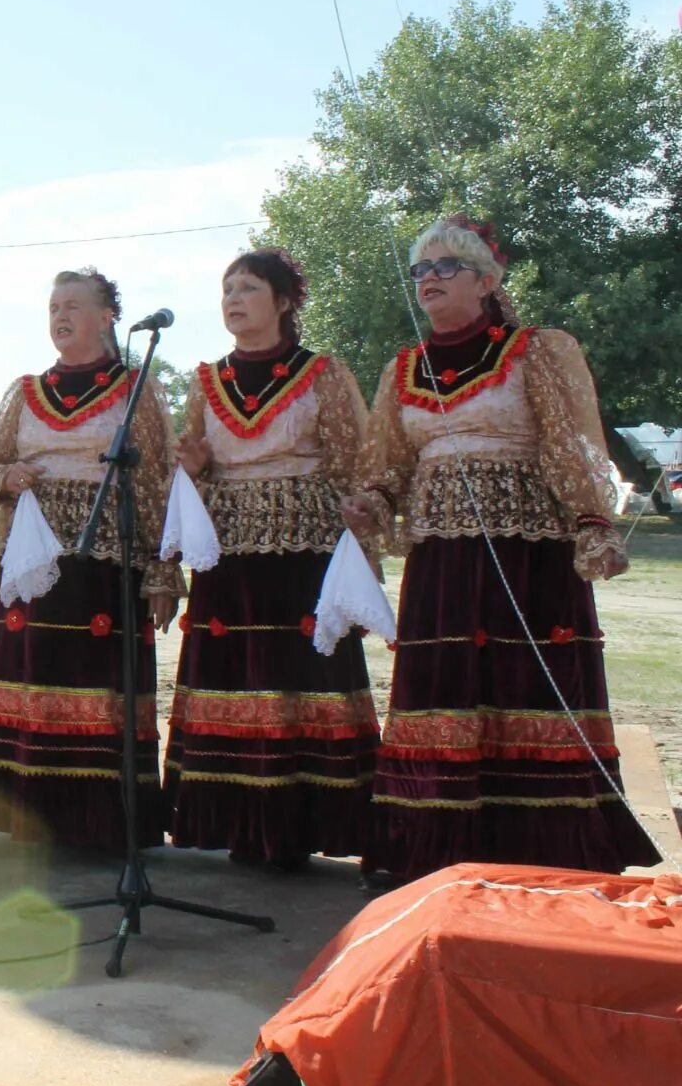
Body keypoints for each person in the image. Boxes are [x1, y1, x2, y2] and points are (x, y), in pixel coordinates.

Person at [342, 215, 658, 880]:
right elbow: (386, 463)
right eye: (420, 270)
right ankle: (426, 849)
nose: (428, 280)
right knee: (441, 689)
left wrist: (591, 519)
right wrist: (368, 501)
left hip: (527, 552)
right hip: (441, 559)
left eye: (445, 267)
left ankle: (547, 851)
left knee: (526, 688)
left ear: (488, 279)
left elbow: (572, 442)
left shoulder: (538, 350)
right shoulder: (403, 368)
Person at [0, 269, 184, 852]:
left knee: (95, 686)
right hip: (33, 564)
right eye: (53, 305)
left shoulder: (135, 389)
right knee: (33, 676)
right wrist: (8, 475)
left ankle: (97, 823)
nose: (60, 315)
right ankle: (30, 815)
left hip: (105, 565)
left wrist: (162, 571)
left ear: (107, 317)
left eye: (73, 304)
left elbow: (157, 483)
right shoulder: (26, 391)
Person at [162, 250, 379, 869]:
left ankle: (300, 824)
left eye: (249, 288)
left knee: (300, 676)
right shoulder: (207, 382)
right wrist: (197, 473)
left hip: (303, 549)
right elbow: (192, 472)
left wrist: (361, 554)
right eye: (227, 288)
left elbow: (353, 466)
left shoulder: (323, 374)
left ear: (284, 302)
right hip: (228, 556)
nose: (233, 298)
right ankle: (238, 825)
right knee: (236, 676)